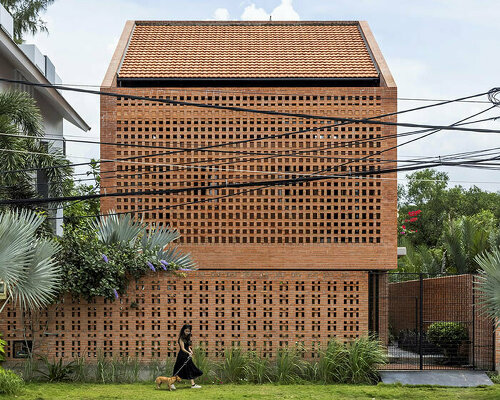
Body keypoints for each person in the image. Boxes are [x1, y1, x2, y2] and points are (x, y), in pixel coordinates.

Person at [172, 324, 203, 389]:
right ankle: (171, 383)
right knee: (178, 369)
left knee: (190, 368)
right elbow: (182, 348)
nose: (187, 332)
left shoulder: (187, 338)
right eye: (186, 331)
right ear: (183, 330)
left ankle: (193, 385)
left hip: (187, 356)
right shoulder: (181, 338)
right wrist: (188, 352)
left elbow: (187, 346)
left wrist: (190, 351)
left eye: (189, 331)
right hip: (182, 355)